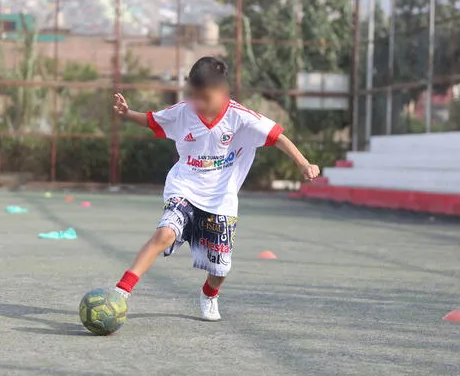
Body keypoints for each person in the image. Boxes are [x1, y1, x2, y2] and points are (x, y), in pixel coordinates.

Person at [111, 56, 320, 321]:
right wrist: (128, 113)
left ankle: (209, 294)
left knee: (220, 268)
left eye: (205, 97)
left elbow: (278, 137)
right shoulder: (182, 112)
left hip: (221, 198)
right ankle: (121, 291)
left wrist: (303, 163)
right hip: (184, 186)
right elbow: (153, 121)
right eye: (194, 96)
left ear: (222, 93)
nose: (198, 103)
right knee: (165, 233)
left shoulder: (241, 118)